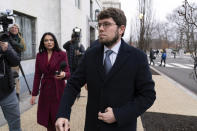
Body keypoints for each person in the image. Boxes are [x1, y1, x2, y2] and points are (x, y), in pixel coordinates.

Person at [56, 8, 156, 131]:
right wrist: (63, 114)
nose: (101, 29)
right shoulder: (90, 54)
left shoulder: (137, 57)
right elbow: (73, 84)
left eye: (107, 24)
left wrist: (119, 114)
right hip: (93, 126)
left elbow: (148, 95)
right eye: (99, 25)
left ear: (121, 29)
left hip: (122, 127)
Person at [30, 32, 70, 131]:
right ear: (43, 43)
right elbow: (37, 75)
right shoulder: (39, 55)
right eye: (46, 40)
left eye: (51, 40)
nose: (49, 42)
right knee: (49, 120)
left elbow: (68, 73)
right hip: (45, 91)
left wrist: (64, 75)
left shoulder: (62, 54)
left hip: (58, 90)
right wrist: (34, 94)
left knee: (61, 119)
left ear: (54, 41)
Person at [0, 38, 21, 130]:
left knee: (15, 125)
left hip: (8, 92)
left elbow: (16, 61)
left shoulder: (3, 42)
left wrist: (7, 49)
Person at [8, 23, 26, 100]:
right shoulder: (5, 36)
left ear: (18, 29)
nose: (14, 29)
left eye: (16, 28)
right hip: (5, 61)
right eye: (12, 27)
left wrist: (15, 43)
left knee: (15, 78)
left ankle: (17, 93)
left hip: (15, 61)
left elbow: (23, 48)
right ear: (9, 29)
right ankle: (8, 94)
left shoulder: (20, 38)